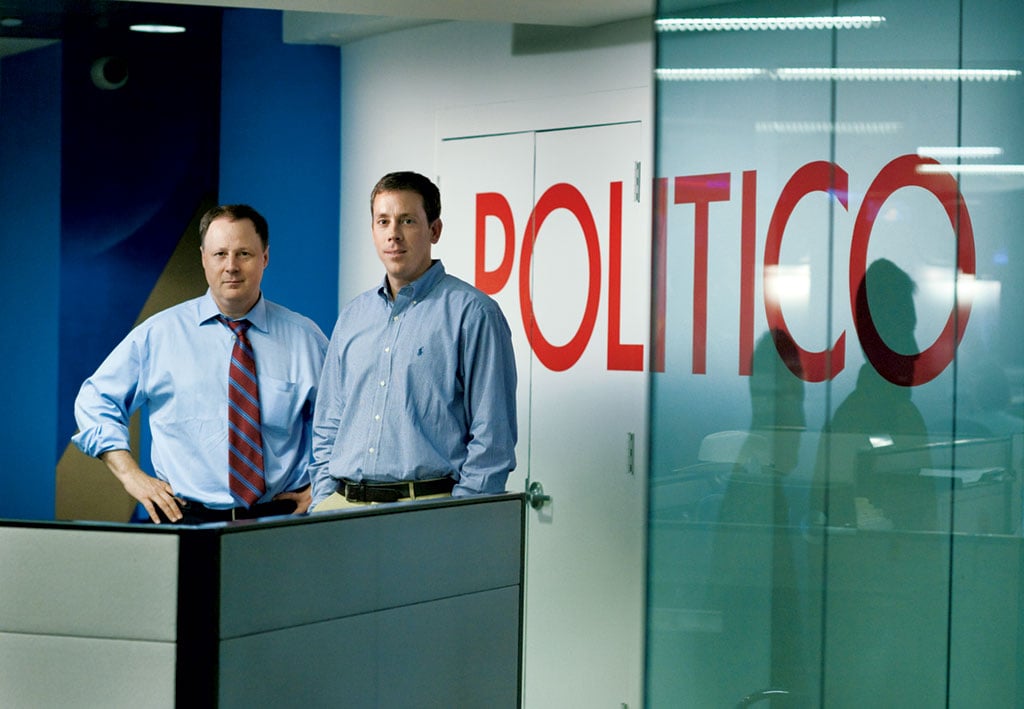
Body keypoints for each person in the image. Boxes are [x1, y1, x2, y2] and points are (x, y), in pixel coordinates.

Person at [73, 204, 328, 524]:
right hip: (184, 521)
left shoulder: (305, 339)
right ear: (203, 258)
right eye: (220, 254)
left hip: (279, 523)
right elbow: (95, 400)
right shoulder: (158, 335)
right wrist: (130, 475)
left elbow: (345, 423)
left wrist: (323, 484)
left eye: (244, 254)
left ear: (265, 257)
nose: (231, 266)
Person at [310, 171, 517, 511]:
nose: (393, 235)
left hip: (424, 511)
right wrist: (322, 499)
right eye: (383, 221)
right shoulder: (353, 316)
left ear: (434, 230)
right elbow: (329, 422)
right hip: (340, 509)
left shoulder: (474, 314)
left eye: (407, 220)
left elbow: (492, 438)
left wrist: (461, 518)